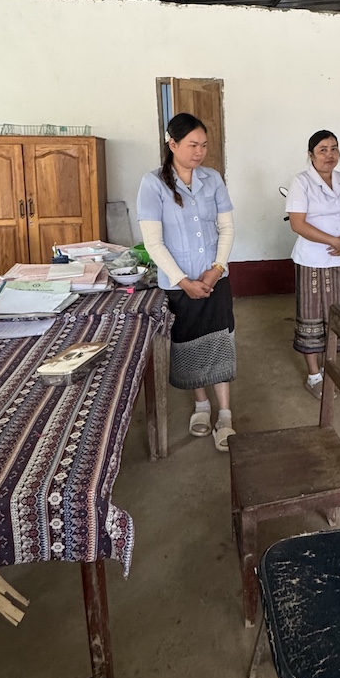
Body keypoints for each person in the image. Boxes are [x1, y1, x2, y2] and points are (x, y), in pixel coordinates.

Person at [137, 113, 237, 450]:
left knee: (220, 342)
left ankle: (225, 415)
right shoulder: (153, 184)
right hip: (179, 284)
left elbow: (227, 228)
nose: (199, 152)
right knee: (190, 344)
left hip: (214, 279)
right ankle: (201, 406)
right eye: (192, 144)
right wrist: (183, 281)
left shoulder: (213, 179)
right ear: (173, 144)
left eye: (204, 145)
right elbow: (153, 243)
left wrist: (217, 269)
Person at [286, 130, 340, 398]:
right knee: (312, 316)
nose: (330, 155)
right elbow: (297, 224)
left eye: (334, 148)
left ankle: (329, 368)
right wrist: (335, 241)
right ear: (311, 155)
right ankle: (313, 376)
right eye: (323, 150)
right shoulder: (301, 182)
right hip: (312, 261)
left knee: (339, 316)